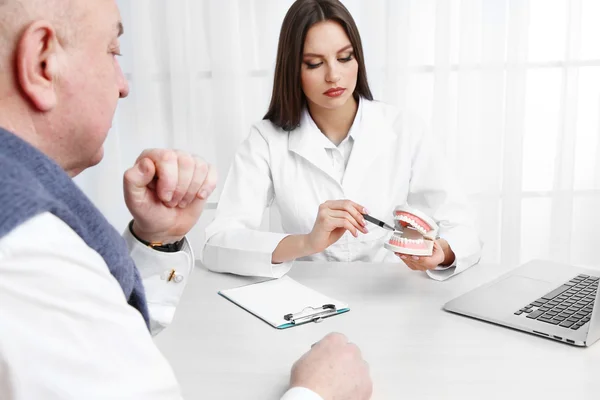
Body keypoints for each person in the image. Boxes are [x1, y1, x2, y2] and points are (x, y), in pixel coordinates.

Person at [0, 1, 372, 399]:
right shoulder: (28, 251)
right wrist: (316, 394)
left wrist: (156, 240)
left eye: (345, 57)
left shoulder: (30, 225)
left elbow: (114, 330)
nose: (123, 84)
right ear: (42, 63)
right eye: (113, 51)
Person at [203, 0, 482, 281]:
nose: (333, 76)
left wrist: (441, 252)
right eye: (314, 63)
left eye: (345, 57)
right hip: (307, 299)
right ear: (292, 70)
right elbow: (218, 244)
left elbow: (464, 228)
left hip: (389, 294)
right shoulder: (266, 140)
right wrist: (307, 242)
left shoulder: (404, 128)